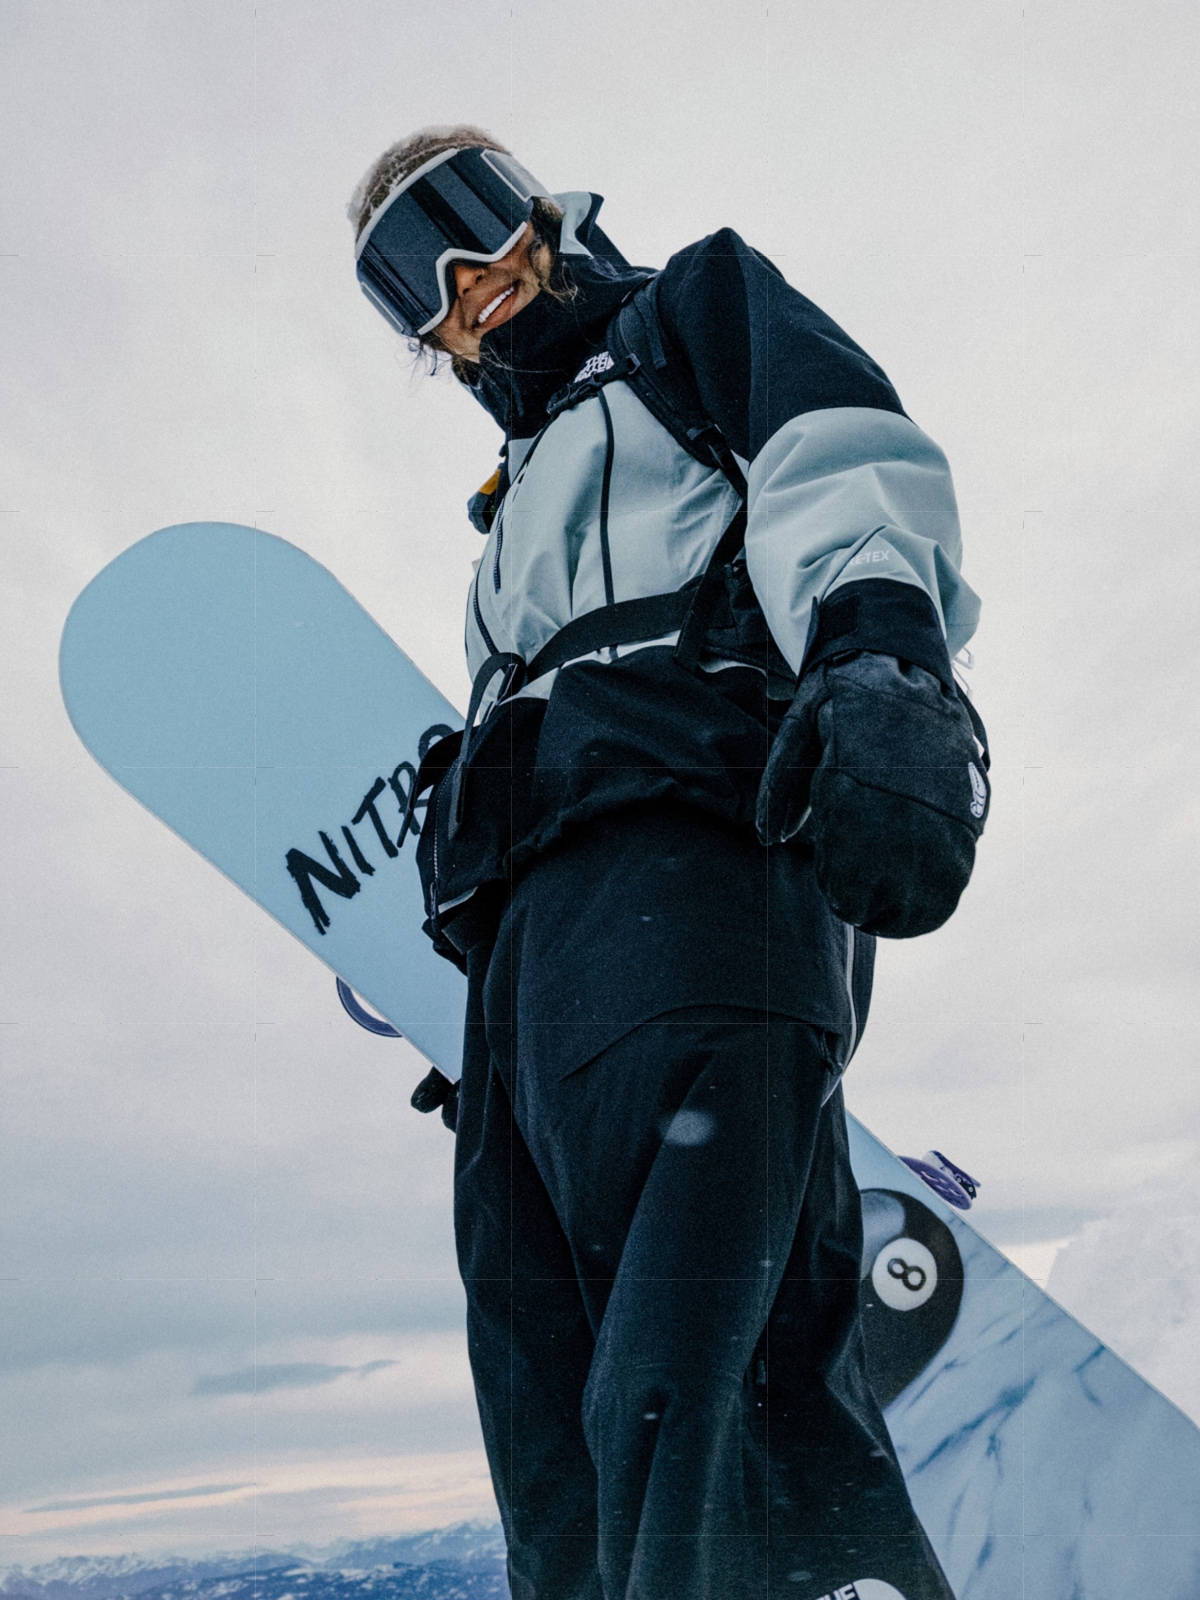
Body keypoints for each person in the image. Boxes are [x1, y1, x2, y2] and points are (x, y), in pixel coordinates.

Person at [348, 125, 988, 1600]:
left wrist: (879, 651)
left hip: (700, 857)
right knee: (553, 1424)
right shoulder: (504, 520)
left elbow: (841, 459)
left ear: (538, 214)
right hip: (533, 976)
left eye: (467, 219)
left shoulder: (685, 317)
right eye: (409, 275)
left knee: (701, 1396)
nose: (459, 277)